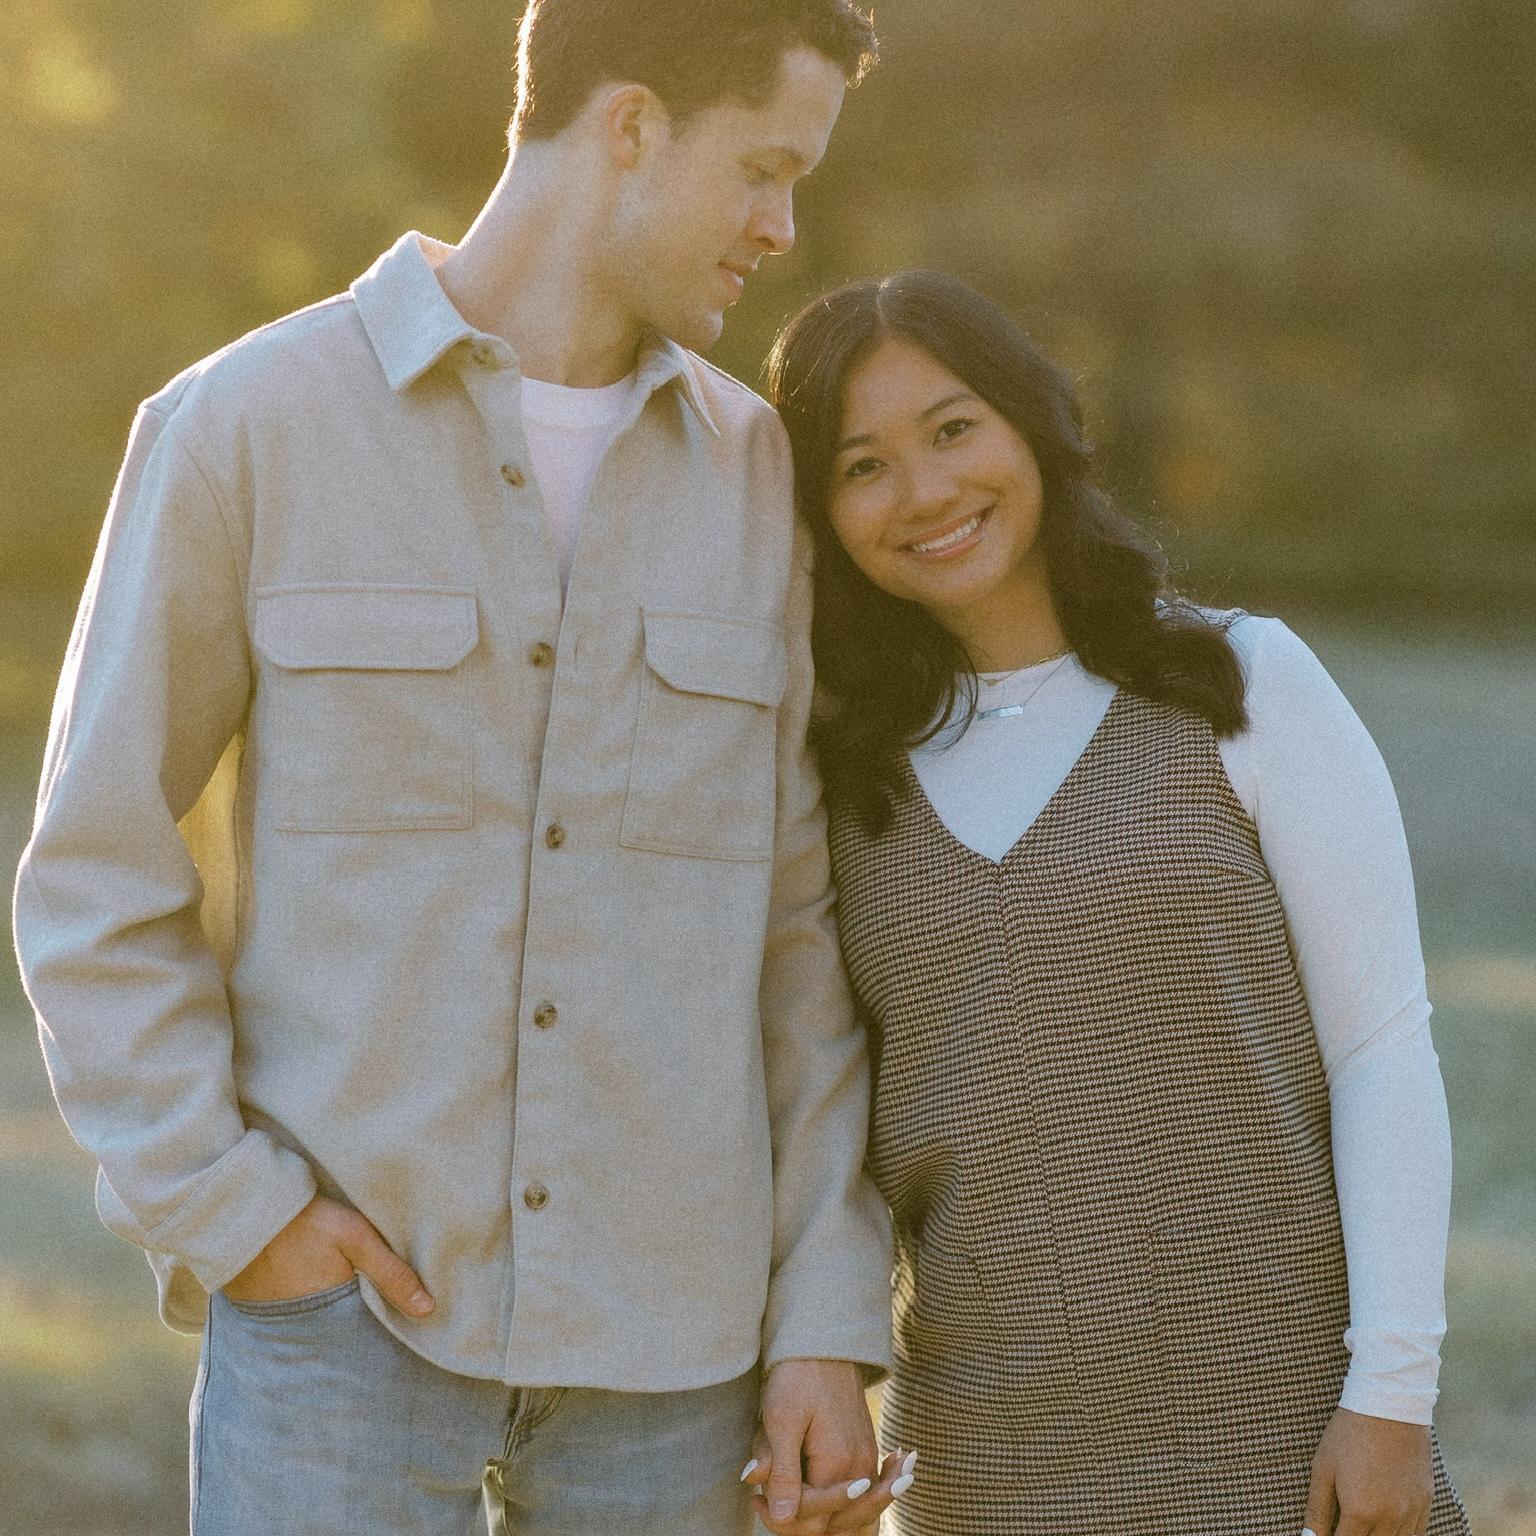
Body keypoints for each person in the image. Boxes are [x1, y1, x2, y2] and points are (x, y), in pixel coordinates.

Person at [12, 5, 911, 1533]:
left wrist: (827, 1312)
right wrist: (236, 1219)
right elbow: (93, 869)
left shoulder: (760, 485)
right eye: (765, 168)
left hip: (674, 1376)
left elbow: (798, 940)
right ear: (629, 125)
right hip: (336, 1350)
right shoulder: (242, 430)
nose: (783, 225)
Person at [766, 269, 1473, 1536]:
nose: (926, 493)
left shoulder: (1242, 680)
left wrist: (1392, 1396)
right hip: (988, 1467)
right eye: (862, 466)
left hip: (1288, 1434)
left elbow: (1381, 1050)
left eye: (952, 428)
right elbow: (815, 1116)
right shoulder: (832, 775)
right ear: (820, 512)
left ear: (1030, 423)